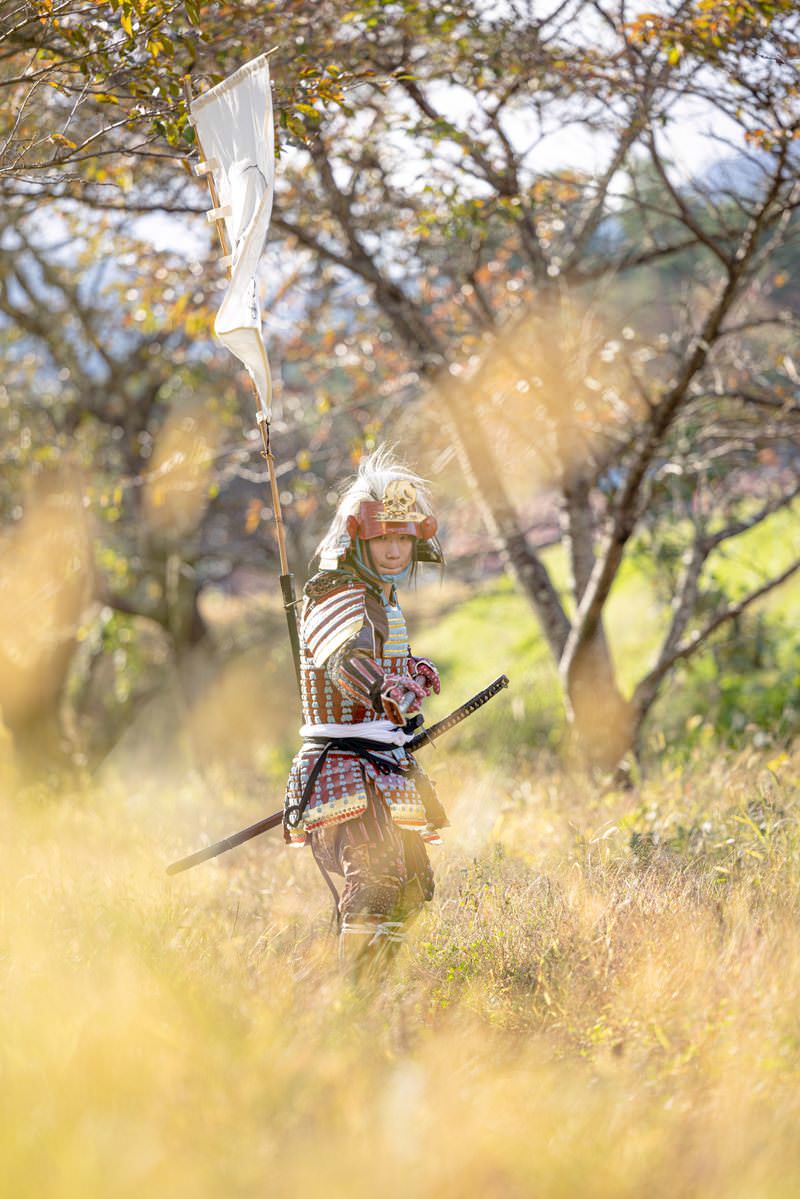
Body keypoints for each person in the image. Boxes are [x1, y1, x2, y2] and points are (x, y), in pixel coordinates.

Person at [283, 448, 448, 974]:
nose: (395, 549)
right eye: (383, 538)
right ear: (359, 538)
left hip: (381, 763)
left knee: (410, 886)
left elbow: (382, 658)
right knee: (375, 878)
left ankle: (372, 1000)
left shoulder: (381, 597)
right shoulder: (336, 591)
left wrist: (411, 673)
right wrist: (388, 692)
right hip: (342, 764)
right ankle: (351, 1004)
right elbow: (344, 661)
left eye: (403, 537)